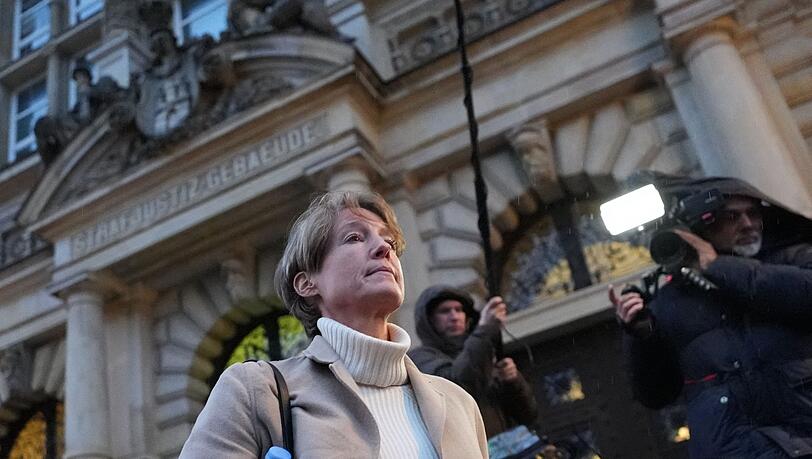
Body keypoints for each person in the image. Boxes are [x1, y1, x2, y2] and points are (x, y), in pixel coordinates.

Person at [180, 191, 488, 458]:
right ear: (307, 283)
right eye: (354, 237)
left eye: (390, 241)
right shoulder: (254, 389)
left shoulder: (459, 402)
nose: (384, 249)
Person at [609, 177, 812, 458]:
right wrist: (642, 337)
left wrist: (718, 267)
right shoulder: (669, 302)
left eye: (753, 213)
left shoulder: (793, 259)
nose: (748, 224)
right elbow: (655, 394)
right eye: (732, 217)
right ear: (700, 228)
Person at [409, 285, 538, 438]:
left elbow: (529, 415)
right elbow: (459, 386)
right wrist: (484, 330)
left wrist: (513, 381)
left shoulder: (481, 353)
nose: (454, 316)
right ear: (429, 320)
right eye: (445, 311)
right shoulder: (419, 358)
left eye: (459, 310)